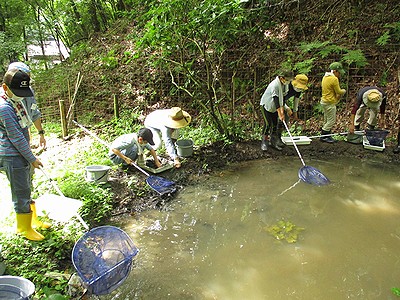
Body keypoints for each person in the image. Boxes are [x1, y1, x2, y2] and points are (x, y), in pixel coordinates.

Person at [0, 69, 45, 241]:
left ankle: (33, 221)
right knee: (20, 190)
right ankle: (24, 228)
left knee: (27, 186)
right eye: (18, 92)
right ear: (5, 87)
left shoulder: (14, 101)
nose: (21, 96)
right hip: (12, 154)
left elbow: (25, 126)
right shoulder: (4, 107)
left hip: (22, 152)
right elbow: (16, 137)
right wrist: (32, 158)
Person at [0, 62, 47, 149]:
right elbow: (15, 135)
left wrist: (41, 134)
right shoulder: (4, 103)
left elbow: (34, 112)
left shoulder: (29, 92)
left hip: (23, 140)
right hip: (9, 148)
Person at [260, 69, 294, 151]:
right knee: (268, 124)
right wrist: (280, 113)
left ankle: (273, 142)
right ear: (282, 78)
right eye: (288, 80)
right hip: (266, 106)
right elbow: (276, 100)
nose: (289, 81)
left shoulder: (285, 85)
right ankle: (264, 142)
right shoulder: (274, 85)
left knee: (275, 125)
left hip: (275, 108)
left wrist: (285, 108)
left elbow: (282, 99)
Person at [319, 62, 346, 143]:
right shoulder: (334, 79)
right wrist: (344, 91)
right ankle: (324, 135)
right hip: (330, 102)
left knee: (326, 119)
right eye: (338, 72)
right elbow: (338, 91)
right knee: (331, 121)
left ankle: (327, 135)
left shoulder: (325, 77)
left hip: (324, 101)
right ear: (334, 71)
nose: (339, 74)